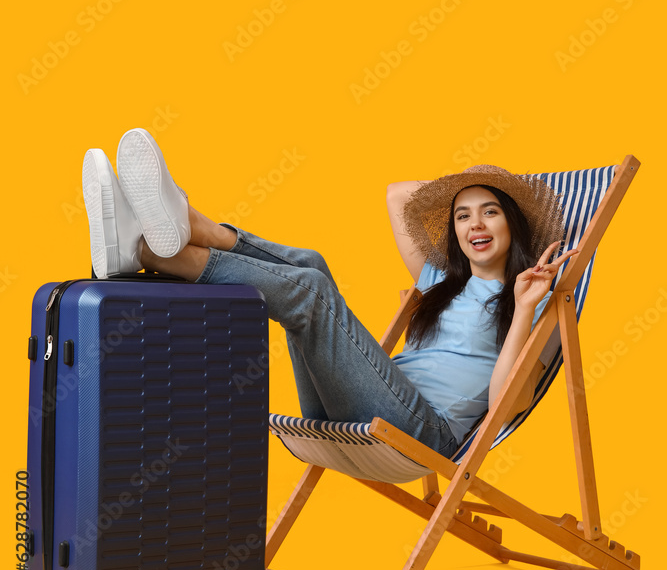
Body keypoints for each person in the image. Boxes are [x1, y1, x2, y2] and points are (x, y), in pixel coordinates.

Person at [82, 129, 578, 461]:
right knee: (312, 265)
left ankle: (158, 244)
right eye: (462, 214)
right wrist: (483, 180)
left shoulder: (537, 307)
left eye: (491, 210)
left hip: (420, 436)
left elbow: (504, 407)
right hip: (363, 406)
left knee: (311, 294)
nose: (475, 224)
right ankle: (186, 234)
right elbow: (398, 194)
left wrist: (526, 305)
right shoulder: (439, 282)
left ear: (513, 223)